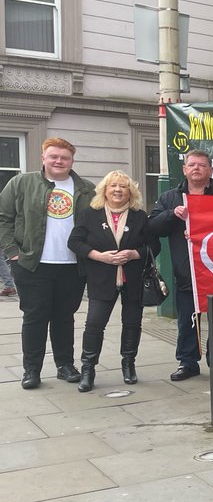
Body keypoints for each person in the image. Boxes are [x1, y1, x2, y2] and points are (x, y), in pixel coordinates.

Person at [0, 137, 96, 389]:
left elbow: (97, 224)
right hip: (32, 264)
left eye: (64, 157)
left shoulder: (86, 188)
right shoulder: (21, 183)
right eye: (53, 156)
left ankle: (65, 365)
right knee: (35, 316)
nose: (58, 161)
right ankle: (31, 370)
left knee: (64, 317)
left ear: (72, 160)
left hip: (72, 265)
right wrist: (12, 252)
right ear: (43, 157)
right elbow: (3, 217)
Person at [67, 171, 158, 392]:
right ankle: (88, 369)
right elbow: (74, 242)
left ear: (130, 192)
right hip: (101, 278)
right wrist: (99, 256)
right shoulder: (90, 214)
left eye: (123, 187)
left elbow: (154, 246)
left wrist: (134, 254)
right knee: (94, 325)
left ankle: (129, 365)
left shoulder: (139, 216)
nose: (118, 190)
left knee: (132, 323)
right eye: (113, 186)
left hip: (133, 280)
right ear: (105, 190)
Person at [147, 149, 213, 381]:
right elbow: (153, 227)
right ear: (184, 169)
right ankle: (188, 362)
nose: (196, 168)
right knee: (187, 320)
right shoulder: (170, 198)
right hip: (187, 272)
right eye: (192, 164)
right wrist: (171, 216)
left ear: (210, 170)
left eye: (202, 165)